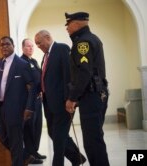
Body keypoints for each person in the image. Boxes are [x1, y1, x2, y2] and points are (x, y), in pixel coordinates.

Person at [34, 30, 86, 166]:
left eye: (39, 43)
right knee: (55, 134)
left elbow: (69, 75)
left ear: (47, 37)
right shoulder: (45, 56)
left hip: (63, 103)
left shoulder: (61, 49)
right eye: (36, 44)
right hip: (49, 104)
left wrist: (70, 99)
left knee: (58, 137)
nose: (38, 46)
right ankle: (77, 158)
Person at [65, 12, 110, 166]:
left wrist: (72, 98)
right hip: (99, 94)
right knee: (96, 138)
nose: (67, 28)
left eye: (68, 24)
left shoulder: (82, 43)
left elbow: (84, 73)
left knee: (92, 142)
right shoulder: (93, 38)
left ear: (77, 24)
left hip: (90, 97)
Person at [0, 36, 36, 166]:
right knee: (1, 136)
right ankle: (24, 156)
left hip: (16, 109)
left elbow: (32, 87)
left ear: (13, 46)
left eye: (7, 44)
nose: (4, 47)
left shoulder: (22, 64)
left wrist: (29, 108)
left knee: (15, 141)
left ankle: (19, 162)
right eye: (2, 45)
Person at [21, 38, 46, 164]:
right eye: (28, 46)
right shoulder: (21, 62)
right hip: (29, 101)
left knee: (37, 126)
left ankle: (35, 150)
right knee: (29, 128)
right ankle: (30, 154)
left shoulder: (34, 61)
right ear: (23, 48)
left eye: (32, 46)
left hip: (38, 99)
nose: (31, 48)